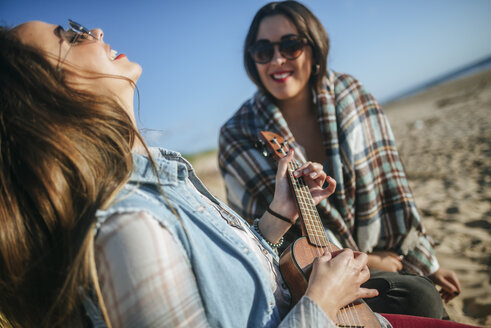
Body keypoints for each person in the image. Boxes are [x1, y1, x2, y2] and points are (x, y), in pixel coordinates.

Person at [0, 19, 476, 328]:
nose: (96, 31)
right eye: (70, 35)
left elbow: (231, 282)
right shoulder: (127, 228)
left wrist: (276, 215)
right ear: (42, 96)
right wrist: (322, 301)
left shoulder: (160, 175)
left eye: (290, 44)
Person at [218, 0, 461, 319]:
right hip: (312, 283)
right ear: (252, 58)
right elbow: (260, 242)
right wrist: (371, 261)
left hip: (392, 258)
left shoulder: (352, 95)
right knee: (418, 298)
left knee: (423, 296)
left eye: (290, 46)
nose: (277, 59)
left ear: (315, 47)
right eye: (263, 50)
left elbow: (394, 191)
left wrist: (428, 263)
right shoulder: (237, 135)